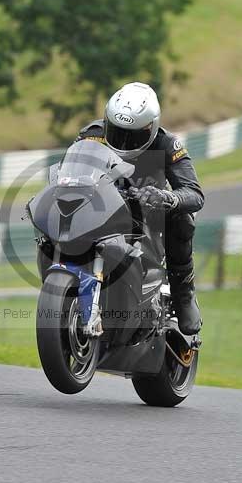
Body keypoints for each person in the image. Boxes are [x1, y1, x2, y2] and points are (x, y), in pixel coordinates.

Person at [75, 82, 204, 335]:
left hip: (147, 215)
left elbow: (194, 193)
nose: (123, 141)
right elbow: (67, 171)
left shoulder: (168, 145)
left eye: (133, 135)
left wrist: (166, 198)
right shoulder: (91, 134)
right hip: (101, 209)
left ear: (151, 128)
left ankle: (184, 293)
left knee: (183, 219)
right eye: (117, 131)